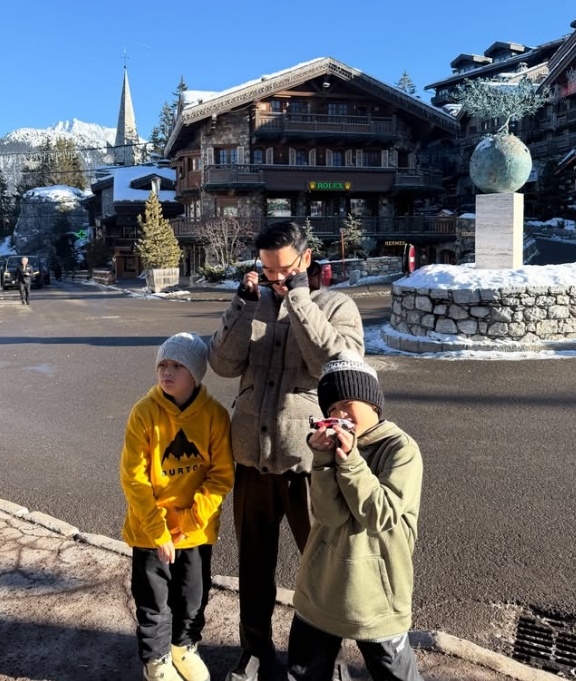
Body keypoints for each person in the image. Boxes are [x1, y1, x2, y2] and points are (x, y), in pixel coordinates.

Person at [208, 221, 364, 681]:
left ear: (305, 259)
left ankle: (322, 659)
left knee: (321, 568)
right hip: (252, 460)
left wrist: (298, 300)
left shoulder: (336, 306)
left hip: (310, 463)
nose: (275, 278)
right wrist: (241, 306)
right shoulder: (253, 303)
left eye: (284, 270)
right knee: (253, 566)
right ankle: (254, 650)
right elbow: (222, 364)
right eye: (267, 270)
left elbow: (337, 365)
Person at [287, 352, 424, 681]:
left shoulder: (401, 449)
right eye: (332, 409)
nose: (339, 415)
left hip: (377, 598)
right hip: (322, 587)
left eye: (347, 403)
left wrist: (349, 461)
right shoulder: (333, 448)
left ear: (373, 404)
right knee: (305, 672)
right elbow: (329, 516)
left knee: (395, 674)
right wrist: (323, 460)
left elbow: (380, 514)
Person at [120, 332, 235, 681]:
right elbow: (134, 478)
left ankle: (183, 646)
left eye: (177, 366)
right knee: (153, 602)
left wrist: (188, 522)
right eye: (163, 365)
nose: (167, 372)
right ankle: (156, 660)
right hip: (150, 533)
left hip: (195, 533)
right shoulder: (144, 413)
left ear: (195, 373)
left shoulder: (214, 415)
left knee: (192, 597)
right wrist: (159, 531)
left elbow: (221, 476)